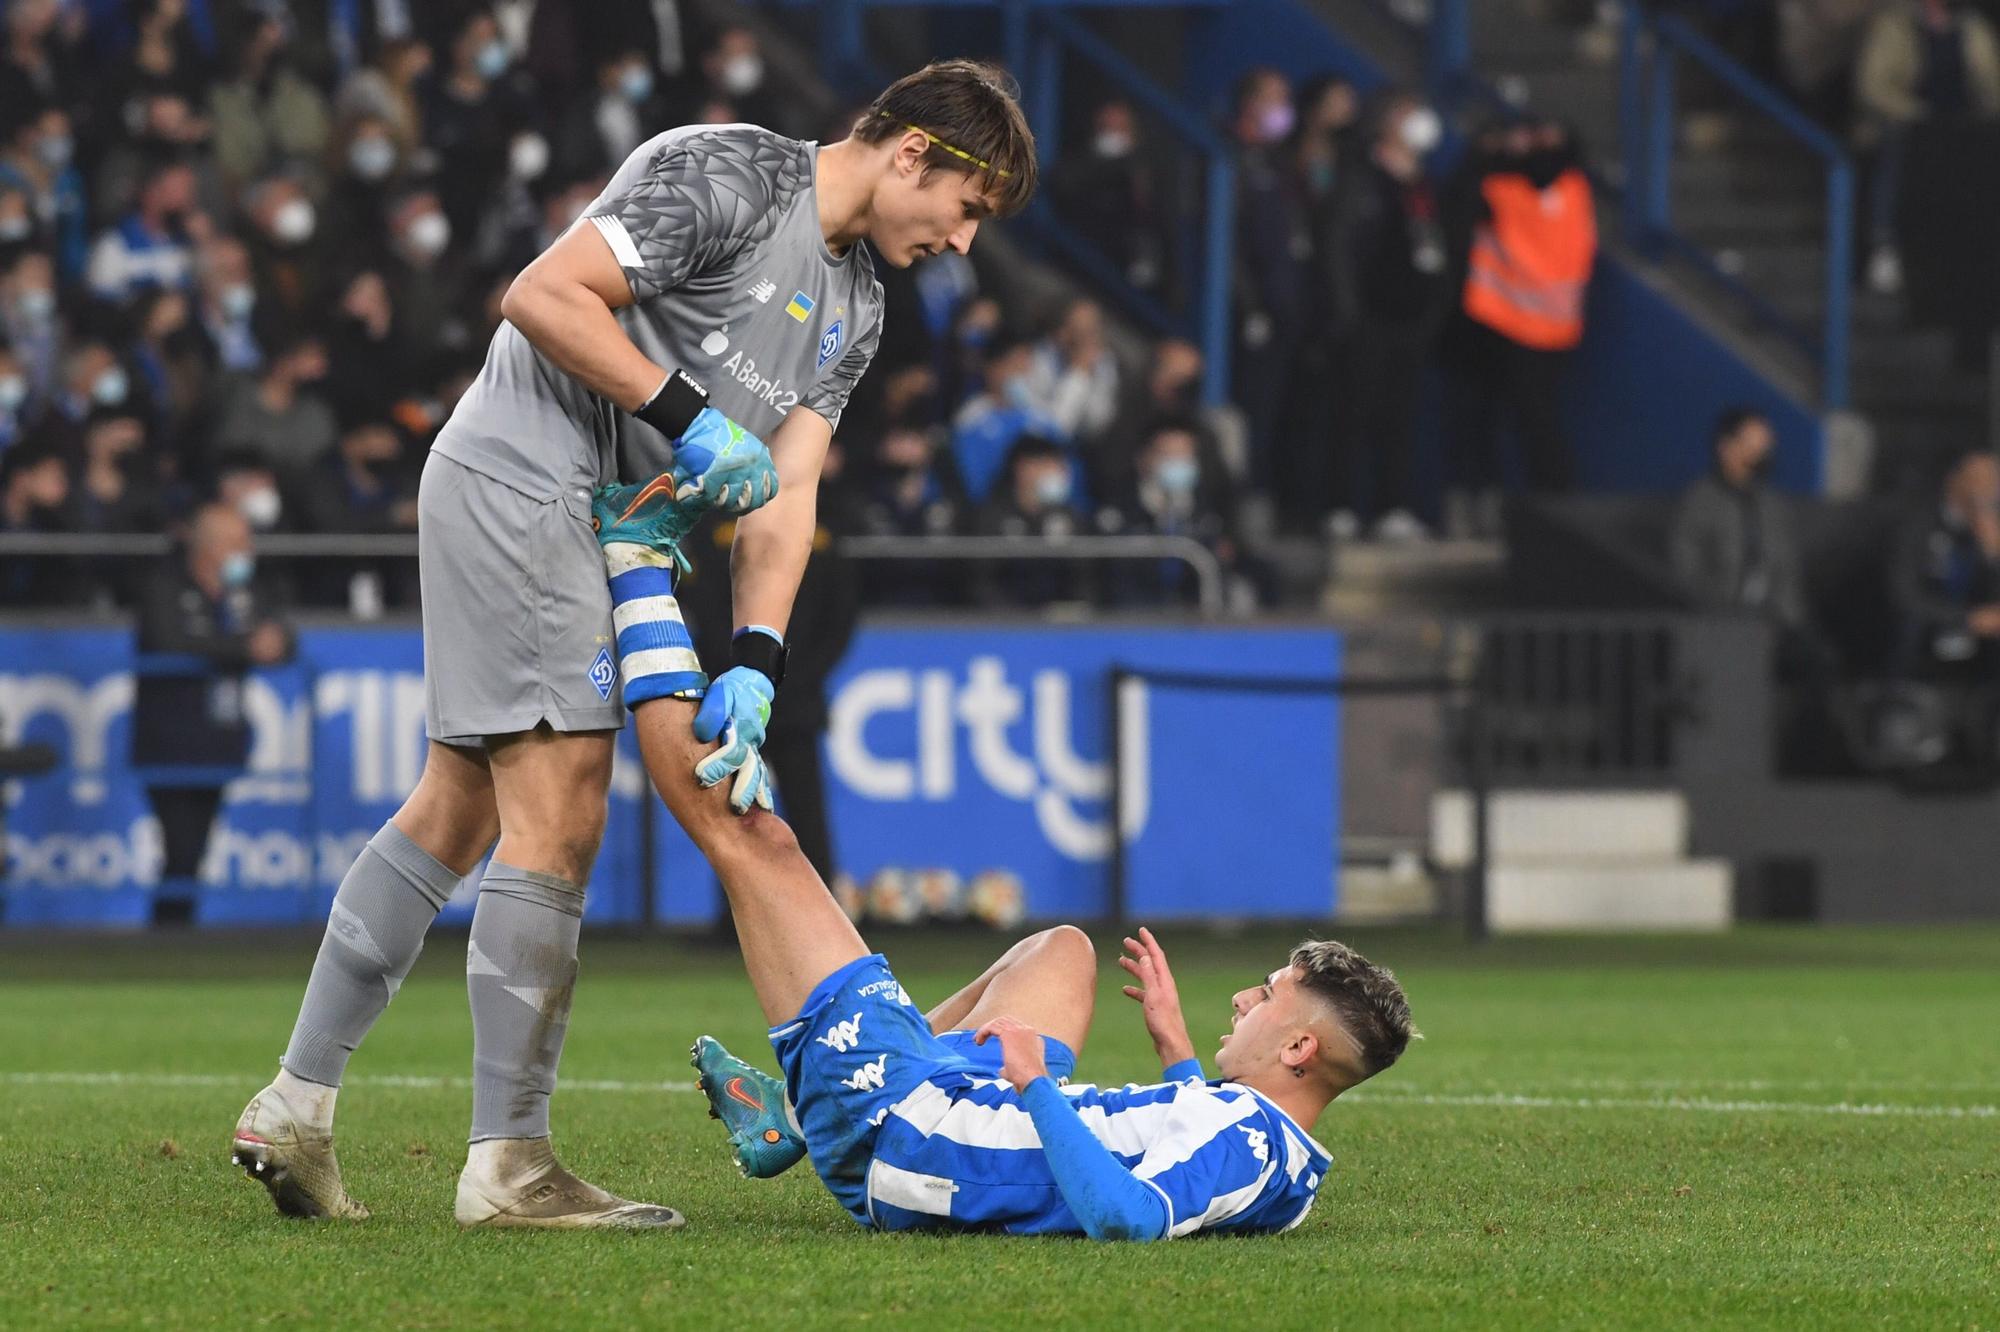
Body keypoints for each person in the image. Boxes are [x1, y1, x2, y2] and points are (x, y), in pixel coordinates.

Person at [232, 59, 1035, 1231]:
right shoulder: (727, 174)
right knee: (560, 807)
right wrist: (691, 417)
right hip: (529, 477)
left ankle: (295, 1106)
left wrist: (756, 659)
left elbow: (785, 492)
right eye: (966, 210)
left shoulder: (857, 306)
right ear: (912, 152)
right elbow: (544, 294)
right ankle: (508, 1163)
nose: (963, 244)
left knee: (454, 810)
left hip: (587, 518)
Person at [684, 906, 1411, 1238]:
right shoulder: (1284, 1165)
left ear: (1296, 1051)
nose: (1243, 997)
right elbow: (1196, 1152)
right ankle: (794, 1110)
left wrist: (1033, 1083)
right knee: (1061, 949)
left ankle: (809, 1107)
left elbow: (1129, 1217)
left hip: (917, 1143)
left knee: (759, 842)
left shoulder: (1242, 1135)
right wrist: (1174, 1049)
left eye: (1267, 994)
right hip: (975, 1111)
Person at [133, 500, 293, 924]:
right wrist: (244, 649)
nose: (249, 550)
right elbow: (170, 642)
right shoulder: (166, 587)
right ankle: (168, 932)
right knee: (182, 848)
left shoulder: (243, 591)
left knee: (195, 850)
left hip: (219, 743)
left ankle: (174, 930)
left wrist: (275, 643)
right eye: (239, 542)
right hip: (168, 744)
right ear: (210, 546)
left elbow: (283, 636)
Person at [1447, 118, 1596, 517]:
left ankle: (1550, 508)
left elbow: (1473, 194)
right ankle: (1528, 503)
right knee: (1509, 420)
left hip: (1513, 321)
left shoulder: (1508, 187)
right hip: (1527, 325)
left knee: (1522, 421)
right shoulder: (1574, 187)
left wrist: (1496, 152)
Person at [1319, 91, 1450, 542]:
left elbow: (1433, 246)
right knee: (1354, 411)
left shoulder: (1423, 183)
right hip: (1368, 315)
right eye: (1407, 115)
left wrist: (1432, 307)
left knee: (1400, 414)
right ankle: (1339, 505)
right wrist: (1346, 310)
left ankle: (1392, 506)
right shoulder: (1361, 177)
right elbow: (1339, 245)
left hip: (1411, 319)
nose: (1418, 123)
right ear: (1387, 124)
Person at [1854, 0, 2000, 294]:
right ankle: (1886, 246)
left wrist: (1983, 112)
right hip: (1905, 122)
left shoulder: (1972, 27)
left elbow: (1991, 85)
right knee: (1900, 149)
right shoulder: (1896, 24)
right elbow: (1872, 85)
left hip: (1959, 126)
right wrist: (1916, 114)